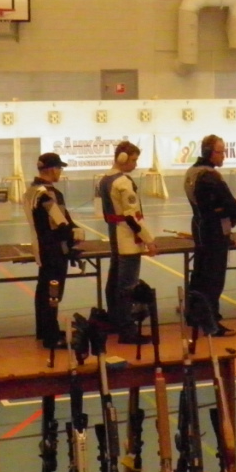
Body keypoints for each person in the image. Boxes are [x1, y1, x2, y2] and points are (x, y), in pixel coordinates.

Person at [185, 135, 236, 336]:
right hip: (214, 231)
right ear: (210, 153)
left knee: (199, 274)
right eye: (221, 152)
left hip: (199, 227)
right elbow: (231, 204)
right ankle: (212, 324)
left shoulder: (191, 172)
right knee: (214, 278)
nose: (224, 156)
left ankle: (193, 315)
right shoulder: (210, 177)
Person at [98, 141, 158, 344]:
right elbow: (132, 217)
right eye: (133, 159)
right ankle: (127, 331)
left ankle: (116, 322)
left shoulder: (105, 179)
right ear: (122, 158)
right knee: (127, 287)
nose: (135, 164)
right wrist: (148, 240)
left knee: (114, 283)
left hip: (116, 236)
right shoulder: (123, 182)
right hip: (127, 239)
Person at [25, 152, 85, 348]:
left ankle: (44, 331)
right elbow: (61, 222)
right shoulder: (49, 193)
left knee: (43, 290)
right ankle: (51, 338)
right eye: (59, 168)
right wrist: (75, 237)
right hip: (55, 249)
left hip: (41, 246)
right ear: (50, 169)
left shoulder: (32, 190)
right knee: (53, 293)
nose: (60, 171)